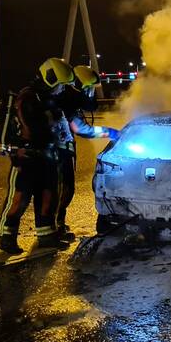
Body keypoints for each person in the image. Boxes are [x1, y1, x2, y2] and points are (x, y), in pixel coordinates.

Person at [0, 57, 74, 255]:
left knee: (48, 197)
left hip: (46, 157)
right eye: (60, 85)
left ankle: (47, 237)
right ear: (50, 78)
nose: (61, 89)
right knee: (18, 199)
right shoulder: (27, 98)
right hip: (27, 158)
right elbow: (33, 130)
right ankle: (7, 238)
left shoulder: (47, 99)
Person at [52, 64, 119, 241]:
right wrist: (113, 133)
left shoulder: (64, 100)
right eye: (89, 89)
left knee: (59, 190)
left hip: (57, 153)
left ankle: (55, 225)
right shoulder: (67, 104)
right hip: (58, 155)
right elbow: (83, 130)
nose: (90, 94)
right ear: (80, 85)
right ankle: (54, 228)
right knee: (62, 190)